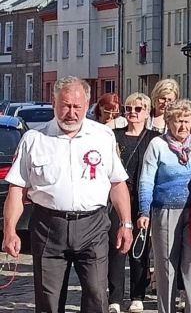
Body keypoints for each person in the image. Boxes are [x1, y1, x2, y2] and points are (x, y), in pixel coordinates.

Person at [2, 76, 133, 313]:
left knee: (96, 296)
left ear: (87, 106)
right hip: (48, 227)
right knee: (48, 301)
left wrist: (126, 223)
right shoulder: (34, 139)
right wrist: (9, 230)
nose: (71, 113)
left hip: (93, 226)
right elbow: (17, 188)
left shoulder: (103, 136)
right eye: (65, 105)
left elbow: (117, 183)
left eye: (77, 107)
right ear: (54, 103)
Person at [137, 99, 191, 313]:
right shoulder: (157, 145)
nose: (183, 126)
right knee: (166, 266)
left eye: (187, 121)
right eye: (178, 121)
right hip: (165, 211)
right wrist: (144, 210)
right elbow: (146, 179)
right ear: (169, 122)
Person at [108, 93, 161, 313]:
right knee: (116, 247)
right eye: (128, 108)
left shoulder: (154, 138)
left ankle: (138, 294)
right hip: (117, 199)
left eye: (138, 109)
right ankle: (115, 298)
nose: (132, 112)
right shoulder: (113, 135)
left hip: (142, 198)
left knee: (140, 249)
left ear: (147, 112)